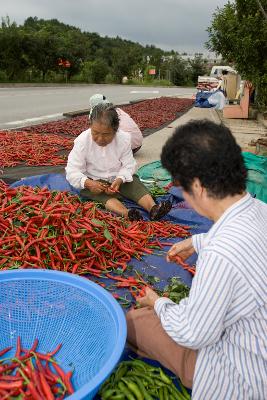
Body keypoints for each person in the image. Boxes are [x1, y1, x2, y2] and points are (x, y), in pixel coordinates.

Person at [126, 120, 267, 399]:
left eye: (184, 189)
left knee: (134, 320)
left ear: (199, 187)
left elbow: (194, 333)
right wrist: (197, 240)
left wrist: (159, 303)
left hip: (243, 380)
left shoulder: (221, 254)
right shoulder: (261, 210)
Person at [65, 103, 171, 221]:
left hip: (118, 178)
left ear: (115, 130)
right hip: (94, 181)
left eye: (106, 134)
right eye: (95, 133)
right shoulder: (82, 141)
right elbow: (72, 170)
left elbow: (128, 165)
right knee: (100, 195)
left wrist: (120, 179)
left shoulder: (123, 139)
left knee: (134, 183)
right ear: (90, 126)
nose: (100, 139)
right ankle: (126, 213)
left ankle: (153, 208)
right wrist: (88, 183)